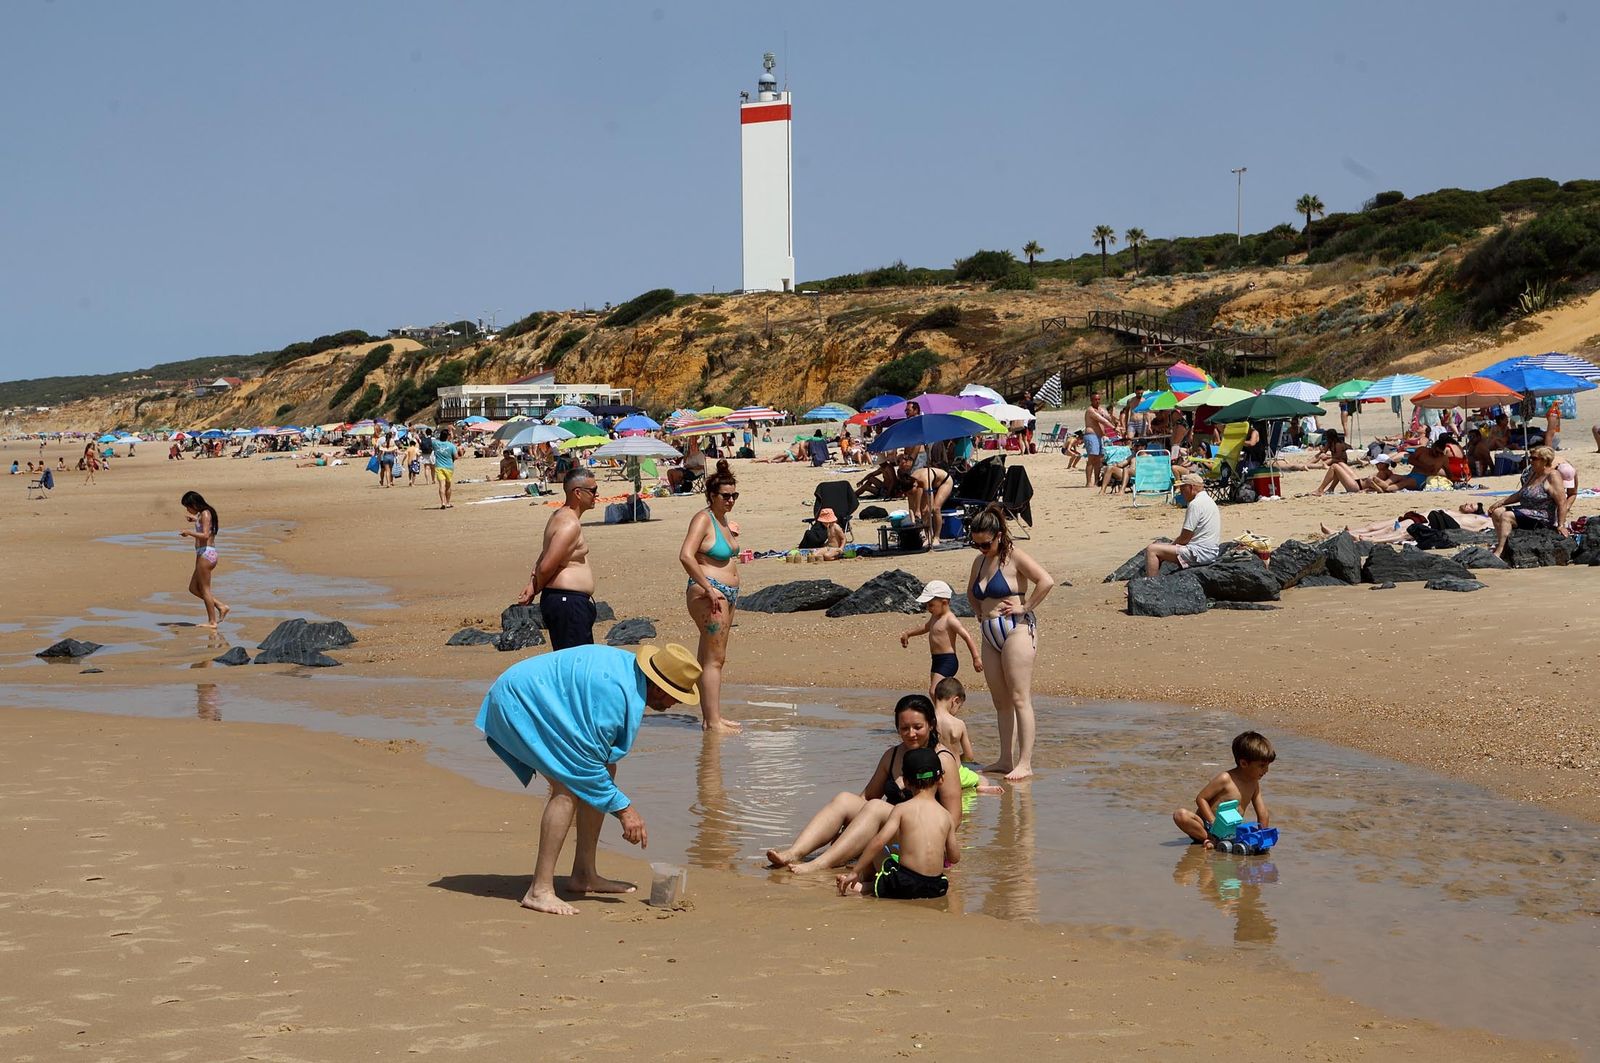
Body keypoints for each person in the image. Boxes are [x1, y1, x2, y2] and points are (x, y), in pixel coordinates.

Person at [475, 643, 703, 915]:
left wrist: (616, 802)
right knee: (567, 786)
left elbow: (596, 763)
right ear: (659, 687)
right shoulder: (615, 698)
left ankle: (584, 874)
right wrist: (625, 810)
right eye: (675, 696)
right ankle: (539, 890)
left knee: (606, 771)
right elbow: (582, 767)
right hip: (517, 700)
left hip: (538, 695)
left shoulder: (631, 677)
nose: (675, 703)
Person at [766, 694, 964, 872]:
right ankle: (794, 853)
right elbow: (867, 797)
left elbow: (954, 817)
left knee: (877, 807)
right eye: (904, 728)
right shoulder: (892, 755)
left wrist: (937, 847)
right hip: (891, 827)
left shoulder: (942, 759)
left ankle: (820, 863)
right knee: (844, 799)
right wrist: (846, 829)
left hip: (921, 834)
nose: (911, 733)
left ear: (931, 724)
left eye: (917, 727)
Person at [965, 505, 1055, 781]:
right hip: (989, 631)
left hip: (1017, 629)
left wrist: (1025, 606)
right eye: (976, 543)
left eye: (986, 543)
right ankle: (1005, 759)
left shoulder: (1014, 557)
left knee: (1019, 697)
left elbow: (1046, 581)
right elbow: (971, 591)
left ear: (999, 536)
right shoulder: (979, 562)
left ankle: (1024, 762)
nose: (981, 548)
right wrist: (978, 610)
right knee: (1000, 700)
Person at [835, 747, 959, 899]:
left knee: (884, 854)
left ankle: (864, 885)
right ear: (941, 779)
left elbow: (879, 842)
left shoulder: (902, 809)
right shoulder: (946, 816)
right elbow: (954, 857)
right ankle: (869, 886)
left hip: (905, 885)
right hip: (935, 887)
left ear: (906, 782)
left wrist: (855, 871)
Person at [680, 460, 742, 733]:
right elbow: (685, 554)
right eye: (725, 496)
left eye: (734, 495)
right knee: (715, 659)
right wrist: (707, 586)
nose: (730, 500)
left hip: (725, 593)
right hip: (709, 593)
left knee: (712, 657)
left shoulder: (722, 520)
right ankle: (713, 721)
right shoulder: (703, 518)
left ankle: (711, 718)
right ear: (712, 496)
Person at [519, 467, 599, 649]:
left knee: (576, 662)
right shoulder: (569, 524)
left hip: (568, 602)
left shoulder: (561, 516)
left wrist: (533, 583)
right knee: (574, 665)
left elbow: (545, 553)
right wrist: (535, 587)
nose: (597, 494)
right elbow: (547, 565)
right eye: (593, 490)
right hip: (567, 604)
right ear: (578, 493)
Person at [1173, 731, 1274, 849]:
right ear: (1244, 763)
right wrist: (1213, 822)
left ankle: (1220, 841)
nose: (1266, 770)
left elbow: (1263, 813)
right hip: (1207, 826)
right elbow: (1201, 798)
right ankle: (1208, 838)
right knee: (1180, 815)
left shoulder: (1254, 784)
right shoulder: (1226, 778)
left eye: (1268, 765)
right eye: (1262, 766)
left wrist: (1263, 837)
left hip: (1230, 830)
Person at [899, 580, 982, 698]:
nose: (928, 608)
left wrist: (976, 658)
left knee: (934, 691)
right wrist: (909, 633)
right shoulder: (935, 616)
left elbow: (966, 636)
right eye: (927, 605)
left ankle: (943, 712)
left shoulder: (950, 620)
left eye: (931, 605)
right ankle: (945, 712)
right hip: (936, 660)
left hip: (948, 660)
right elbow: (926, 627)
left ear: (944, 602)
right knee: (939, 693)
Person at [1488, 446, 1567, 556]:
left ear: (1544, 460)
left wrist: (1561, 525)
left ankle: (1500, 550)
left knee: (1507, 516)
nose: (1531, 461)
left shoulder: (1552, 476)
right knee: (1497, 512)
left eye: (1534, 458)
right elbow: (1520, 494)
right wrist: (1500, 502)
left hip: (1541, 516)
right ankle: (1504, 544)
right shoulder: (1533, 473)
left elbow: (1562, 501)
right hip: (1526, 511)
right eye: (1530, 458)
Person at [932, 678, 1004, 795]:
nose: (957, 710)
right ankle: (980, 788)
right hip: (956, 774)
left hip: (933, 774)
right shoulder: (958, 724)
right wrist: (958, 758)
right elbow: (969, 756)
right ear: (955, 700)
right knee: (982, 779)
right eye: (959, 707)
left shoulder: (926, 721)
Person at [1145, 473, 1221, 575]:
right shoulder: (1209, 501)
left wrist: (1171, 546)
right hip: (1210, 552)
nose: (1181, 492)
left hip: (1199, 553)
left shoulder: (1196, 504)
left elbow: (1185, 538)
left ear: (1191, 487)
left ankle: (1149, 587)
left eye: (1182, 488)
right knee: (1162, 547)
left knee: (1152, 550)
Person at [179, 490, 230, 628]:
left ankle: (212, 621)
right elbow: (205, 526)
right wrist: (195, 520)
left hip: (206, 554)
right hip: (204, 553)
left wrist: (189, 532)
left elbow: (206, 535)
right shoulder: (203, 514)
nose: (188, 510)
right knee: (193, 588)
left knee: (205, 589)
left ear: (194, 504)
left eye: (188, 506)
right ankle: (220, 606)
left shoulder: (206, 513)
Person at [907, 463, 954, 547]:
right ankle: (928, 536)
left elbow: (930, 506)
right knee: (922, 511)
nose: (911, 494)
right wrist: (914, 522)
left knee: (935, 509)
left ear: (915, 485)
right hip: (930, 483)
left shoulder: (925, 480)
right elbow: (911, 507)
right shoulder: (909, 483)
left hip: (945, 481)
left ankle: (936, 537)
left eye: (911, 492)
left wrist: (924, 516)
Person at [1083, 392, 1117, 487]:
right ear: (1091, 400)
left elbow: (1108, 418)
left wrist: (1111, 415)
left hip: (1099, 436)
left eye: (1098, 399)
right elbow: (1102, 420)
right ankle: (1089, 482)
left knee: (1099, 460)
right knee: (1091, 459)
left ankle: (1097, 481)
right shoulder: (1090, 410)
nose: (1097, 401)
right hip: (1091, 435)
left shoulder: (1100, 410)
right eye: (1095, 399)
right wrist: (1114, 428)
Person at [431, 427, 459, 508]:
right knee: (448, 486)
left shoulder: (435, 443)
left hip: (439, 466)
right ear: (448, 436)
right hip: (449, 467)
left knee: (441, 485)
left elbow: (431, 443)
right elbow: (456, 456)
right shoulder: (451, 446)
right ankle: (447, 502)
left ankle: (443, 502)